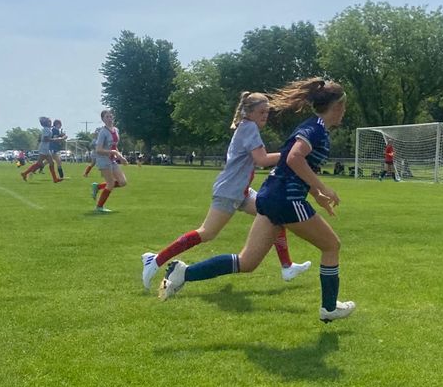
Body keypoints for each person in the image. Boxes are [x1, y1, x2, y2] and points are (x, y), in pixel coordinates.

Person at [159, 78, 355, 323]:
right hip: (285, 199)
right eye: (343, 107)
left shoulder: (316, 128)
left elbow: (291, 166)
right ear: (336, 106)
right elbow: (294, 158)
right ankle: (328, 308)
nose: (344, 112)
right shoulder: (314, 128)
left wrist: (318, 195)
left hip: (270, 196)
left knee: (247, 262)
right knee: (331, 246)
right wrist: (323, 186)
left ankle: (183, 273)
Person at [141, 91, 311, 289]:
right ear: (249, 112)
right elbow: (262, 160)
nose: (266, 115)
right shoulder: (249, 128)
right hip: (230, 191)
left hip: (241, 191)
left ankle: (287, 266)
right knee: (207, 233)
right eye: (262, 111)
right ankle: (154, 261)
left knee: (275, 216)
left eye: (268, 111)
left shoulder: (247, 126)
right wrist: (292, 154)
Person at [92, 110, 127, 213]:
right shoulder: (102, 132)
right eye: (107, 117)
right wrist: (112, 152)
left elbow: (115, 147)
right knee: (111, 183)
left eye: (111, 116)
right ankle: (99, 207)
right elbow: (98, 150)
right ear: (103, 119)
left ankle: (98, 186)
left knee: (123, 182)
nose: (109, 118)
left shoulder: (116, 130)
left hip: (112, 159)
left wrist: (121, 157)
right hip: (103, 159)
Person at [20, 117, 61, 182]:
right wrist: (55, 139)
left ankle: (24, 173)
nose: (51, 123)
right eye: (49, 122)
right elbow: (45, 139)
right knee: (41, 163)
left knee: (47, 163)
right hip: (44, 148)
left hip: (45, 148)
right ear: (46, 123)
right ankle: (24, 173)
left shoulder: (47, 129)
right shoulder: (46, 129)